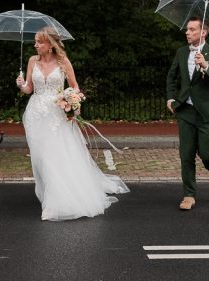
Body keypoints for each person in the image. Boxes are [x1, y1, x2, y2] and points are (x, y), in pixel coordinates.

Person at [16, 27, 129, 221]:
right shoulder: (32, 61)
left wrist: (69, 97)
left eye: (39, 42)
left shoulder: (63, 62)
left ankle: (55, 203)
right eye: (35, 41)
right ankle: (48, 193)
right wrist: (21, 85)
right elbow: (29, 89)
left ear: (50, 45)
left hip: (56, 114)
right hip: (36, 114)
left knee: (53, 156)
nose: (35, 45)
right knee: (41, 157)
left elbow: (74, 86)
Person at [165, 17, 209, 210]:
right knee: (186, 155)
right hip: (185, 111)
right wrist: (170, 98)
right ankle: (189, 195)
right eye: (187, 29)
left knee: (206, 153)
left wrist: (206, 66)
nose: (187, 32)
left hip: (208, 113)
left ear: (203, 32)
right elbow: (171, 76)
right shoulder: (181, 52)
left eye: (192, 29)